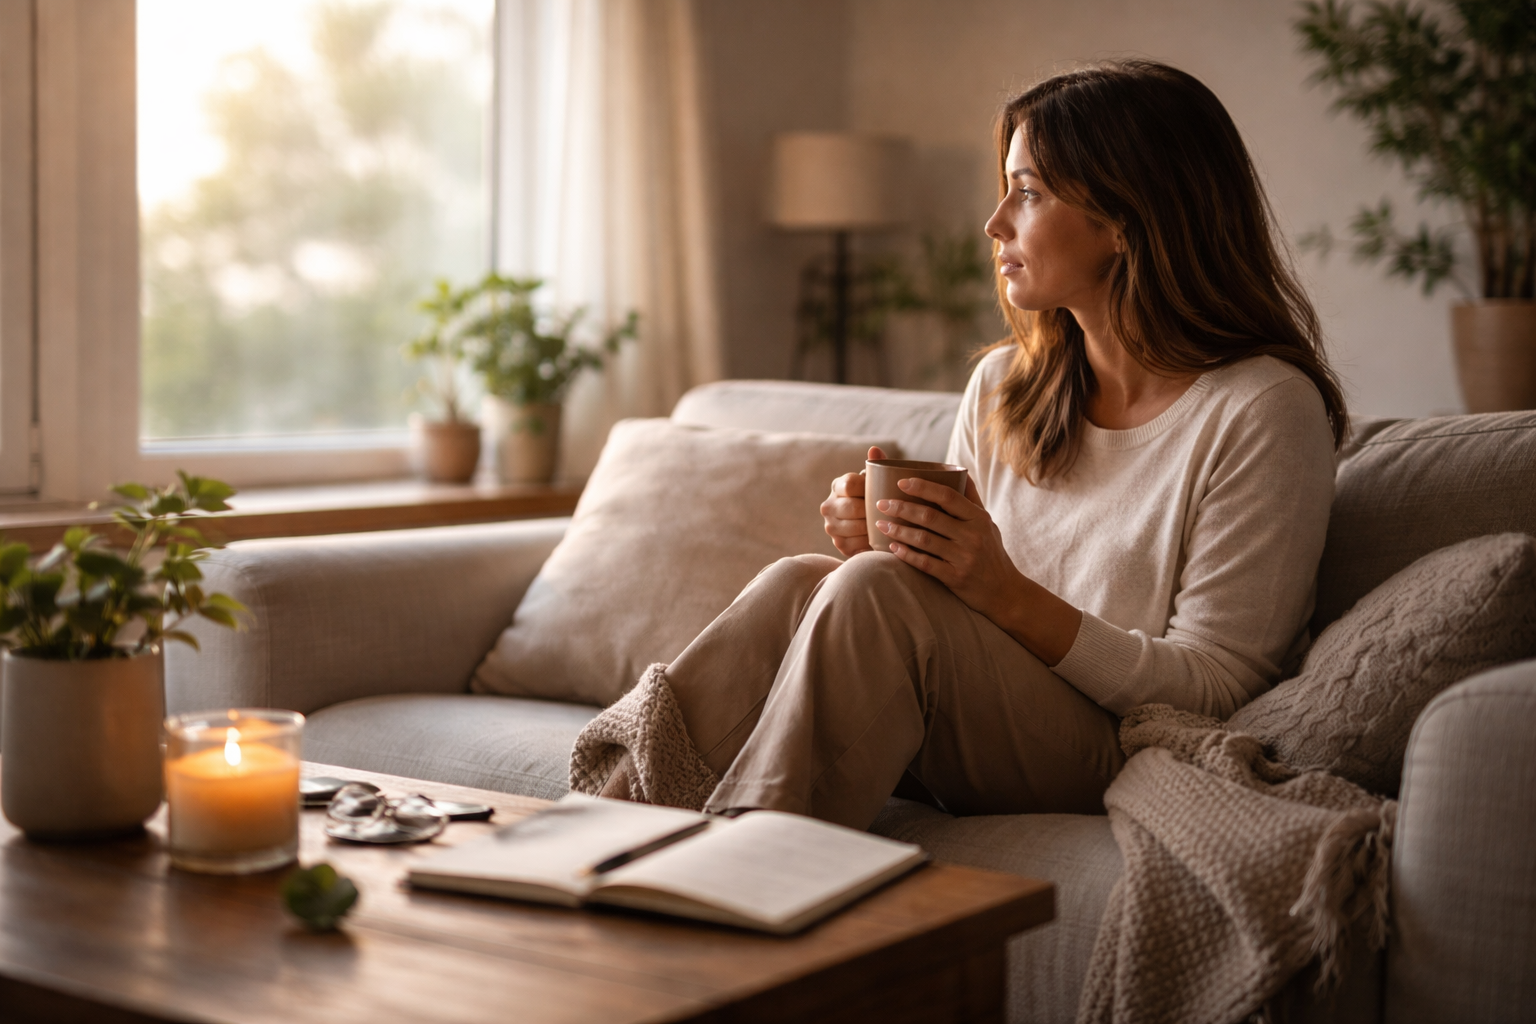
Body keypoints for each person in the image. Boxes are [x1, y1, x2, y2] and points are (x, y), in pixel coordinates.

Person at [577, 60, 1347, 832]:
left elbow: (1218, 688)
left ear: (1124, 218)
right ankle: (589, 837)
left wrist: (996, 590)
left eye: (1031, 192)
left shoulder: (1263, 407)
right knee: (803, 581)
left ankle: (745, 875)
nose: (995, 223)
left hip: (1130, 744)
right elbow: (933, 623)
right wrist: (891, 551)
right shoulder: (1006, 385)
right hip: (981, 714)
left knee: (873, 593)